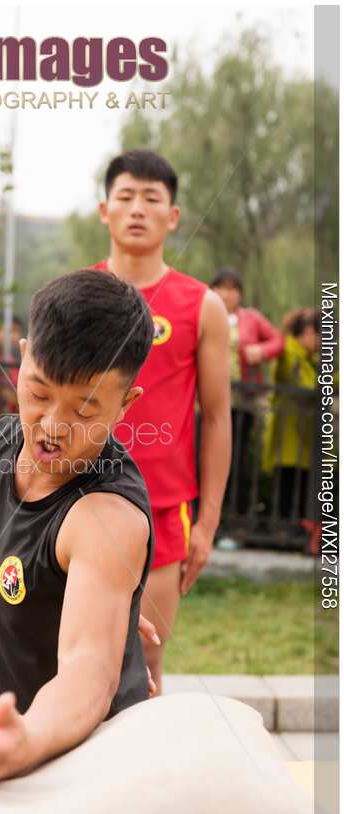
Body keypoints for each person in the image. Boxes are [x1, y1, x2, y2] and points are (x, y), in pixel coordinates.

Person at [0, 269, 161, 785]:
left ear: (126, 405)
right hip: (11, 730)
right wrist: (100, 599)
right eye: (39, 392)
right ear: (21, 357)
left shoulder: (106, 517)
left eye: (85, 409)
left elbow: (87, 670)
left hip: (99, 754)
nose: (52, 428)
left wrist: (108, 596)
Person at [91, 149, 231, 694]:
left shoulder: (202, 306)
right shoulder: (79, 294)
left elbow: (218, 418)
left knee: (147, 662)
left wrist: (209, 522)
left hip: (164, 508)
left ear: (173, 216)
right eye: (125, 197)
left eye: (152, 199)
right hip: (82, 497)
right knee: (75, 653)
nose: (137, 210)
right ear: (105, 210)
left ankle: (145, 776)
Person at [210, 268, 284, 529]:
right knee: (202, 459)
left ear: (240, 294)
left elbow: (278, 341)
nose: (227, 294)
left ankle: (234, 523)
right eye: (222, 287)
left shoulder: (250, 318)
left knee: (236, 460)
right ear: (212, 290)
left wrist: (261, 351)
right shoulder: (203, 314)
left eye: (233, 289)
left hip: (242, 403)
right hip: (205, 402)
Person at [263, 307, 320, 546]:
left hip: (302, 437)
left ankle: (297, 533)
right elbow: (308, 386)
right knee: (288, 486)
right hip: (289, 437)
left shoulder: (308, 357)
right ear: (308, 332)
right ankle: (284, 535)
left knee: (301, 485)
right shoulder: (289, 352)